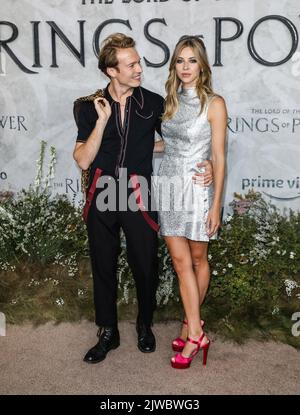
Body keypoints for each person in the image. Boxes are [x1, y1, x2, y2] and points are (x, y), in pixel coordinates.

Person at [72, 33, 214, 364]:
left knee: (145, 264)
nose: (139, 68)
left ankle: (144, 325)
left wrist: (204, 160)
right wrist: (103, 121)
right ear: (111, 70)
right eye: (131, 64)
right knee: (103, 263)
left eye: (139, 62)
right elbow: (82, 158)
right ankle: (107, 331)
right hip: (103, 191)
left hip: (138, 192)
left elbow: (178, 142)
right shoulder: (87, 106)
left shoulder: (152, 103)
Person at [154, 36, 227, 368]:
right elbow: (166, 145)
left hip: (198, 189)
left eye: (192, 60)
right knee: (180, 263)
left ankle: (190, 328)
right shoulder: (168, 102)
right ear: (174, 66)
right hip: (168, 186)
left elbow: (220, 157)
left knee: (198, 260)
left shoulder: (214, 103)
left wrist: (216, 206)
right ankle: (196, 331)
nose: (185, 67)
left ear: (202, 65)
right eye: (180, 61)